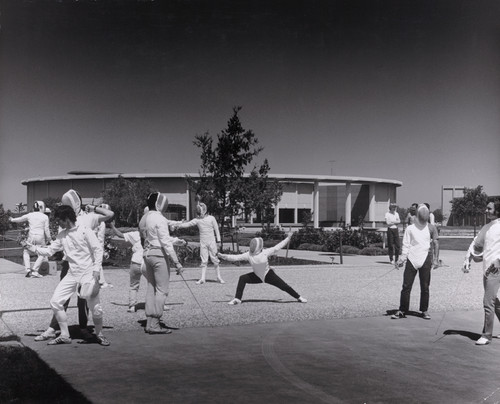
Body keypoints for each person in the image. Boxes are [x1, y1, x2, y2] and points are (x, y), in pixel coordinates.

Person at [34, 189, 113, 342]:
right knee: (58, 300)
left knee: (89, 302)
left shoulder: (88, 218)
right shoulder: (62, 228)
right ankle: (60, 333)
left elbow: (109, 217)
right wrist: (31, 247)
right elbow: (51, 249)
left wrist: (94, 208)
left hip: (88, 269)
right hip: (70, 267)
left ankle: (95, 332)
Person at [139, 192, 187, 334]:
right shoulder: (159, 218)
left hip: (147, 254)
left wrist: (179, 228)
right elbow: (165, 242)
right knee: (162, 290)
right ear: (159, 204)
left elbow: (160, 232)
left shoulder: (146, 217)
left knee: (151, 288)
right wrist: (177, 262)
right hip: (159, 255)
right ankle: (155, 324)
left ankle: (149, 323)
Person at [217, 233, 307, 305]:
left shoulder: (265, 252)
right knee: (242, 278)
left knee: (284, 286)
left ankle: (298, 297)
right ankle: (237, 299)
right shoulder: (249, 254)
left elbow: (278, 247)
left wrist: (288, 238)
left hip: (268, 275)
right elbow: (235, 257)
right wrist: (223, 256)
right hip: (257, 276)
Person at [391, 204, 439, 320]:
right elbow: (406, 245)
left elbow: (436, 243)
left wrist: (436, 259)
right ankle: (402, 310)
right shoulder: (410, 228)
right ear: (417, 215)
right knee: (406, 286)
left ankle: (424, 310)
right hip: (412, 259)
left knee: (425, 286)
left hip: (425, 259)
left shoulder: (431, 228)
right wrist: (402, 258)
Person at [463, 201, 500, 346]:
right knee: (494, 302)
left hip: (496, 268)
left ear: (497, 210)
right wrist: (468, 258)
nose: (486, 211)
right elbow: (475, 244)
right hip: (486, 268)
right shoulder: (486, 227)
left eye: (489, 208)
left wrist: (499, 260)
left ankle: (487, 335)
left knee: (487, 302)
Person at [173, 202, 225, 284]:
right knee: (204, 260)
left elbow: (216, 229)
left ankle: (218, 277)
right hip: (203, 242)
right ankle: (202, 278)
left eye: (199, 212)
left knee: (215, 259)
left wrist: (219, 241)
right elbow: (187, 224)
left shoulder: (211, 218)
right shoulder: (197, 220)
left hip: (212, 241)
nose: (199, 214)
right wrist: (178, 225)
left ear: (204, 211)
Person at [9, 201, 51, 278]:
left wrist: (12, 219)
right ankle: (35, 270)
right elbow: (46, 230)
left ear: (33, 208)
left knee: (26, 252)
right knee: (42, 253)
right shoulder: (45, 217)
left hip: (31, 236)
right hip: (40, 237)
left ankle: (28, 270)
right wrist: (50, 239)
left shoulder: (30, 215)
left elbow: (20, 219)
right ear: (41, 208)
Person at [110, 220, 144, 312]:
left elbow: (120, 235)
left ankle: (132, 306)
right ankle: (159, 305)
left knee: (133, 285)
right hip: (147, 262)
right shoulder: (153, 234)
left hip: (136, 261)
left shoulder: (136, 234)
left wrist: (113, 227)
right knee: (155, 284)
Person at [385, 203, 401, 268]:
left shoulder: (396, 213)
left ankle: (396, 259)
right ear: (390, 208)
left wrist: (392, 221)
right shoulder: (387, 214)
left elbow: (399, 221)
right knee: (390, 244)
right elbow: (387, 223)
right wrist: (395, 221)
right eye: (393, 207)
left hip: (396, 229)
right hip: (390, 230)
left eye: (395, 207)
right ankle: (391, 259)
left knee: (398, 245)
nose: (394, 208)